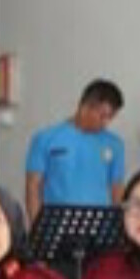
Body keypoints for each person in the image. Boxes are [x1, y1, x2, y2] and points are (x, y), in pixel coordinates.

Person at [24, 78, 127, 223]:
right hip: (56, 225)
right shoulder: (45, 139)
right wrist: (37, 227)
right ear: (85, 106)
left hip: (98, 226)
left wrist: (118, 226)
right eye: (102, 116)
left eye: (110, 117)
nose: (106, 123)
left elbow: (117, 190)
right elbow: (33, 187)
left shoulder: (115, 144)